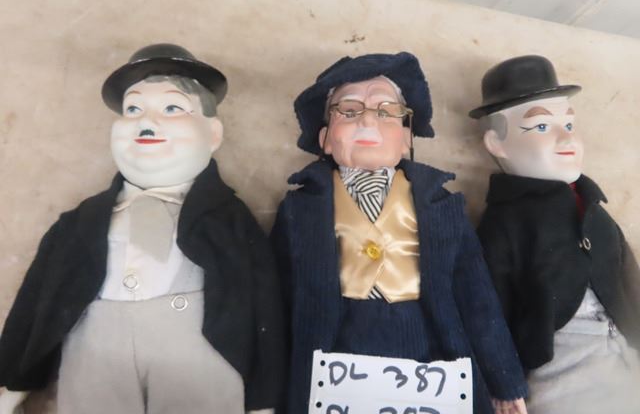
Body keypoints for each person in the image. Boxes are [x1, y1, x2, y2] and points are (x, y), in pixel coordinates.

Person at [0, 44, 284, 414]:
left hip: (198, 356)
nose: (147, 121)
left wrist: (264, 399)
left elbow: (263, 303)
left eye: (172, 108)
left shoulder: (229, 220)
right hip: (96, 353)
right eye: (133, 109)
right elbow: (38, 296)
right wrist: (13, 380)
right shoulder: (81, 223)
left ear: (213, 134)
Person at [272, 52, 528, 414]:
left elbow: (477, 297)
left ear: (407, 136)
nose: (367, 119)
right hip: (334, 357)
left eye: (385, 111)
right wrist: (266, 391)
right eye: (349, 110)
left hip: (431, 353)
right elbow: (277, 300)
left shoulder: (443, 207)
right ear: (326, 139)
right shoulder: (298, 210)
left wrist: (504, 382)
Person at [469, 54, 640, 413]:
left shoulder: (595, 210)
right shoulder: (504, 224)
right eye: (542, 127)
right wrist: (502, 382)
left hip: (625, 354)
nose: (566, 137)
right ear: (496, 144)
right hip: (560, 370)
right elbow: (488, 311)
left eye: (569, 124)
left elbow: (629, 281)